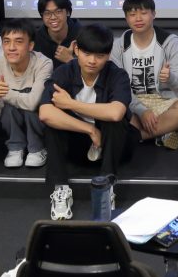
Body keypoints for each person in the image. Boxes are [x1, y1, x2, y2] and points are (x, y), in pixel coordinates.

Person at [39, 24, 132, 220]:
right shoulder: (64, 72)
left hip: (111, 146)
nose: (92, 61)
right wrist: (89, 129)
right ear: (76, 49)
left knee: (116, 121)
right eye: (87, 53)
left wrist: (71, 103)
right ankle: (61, 189)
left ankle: (106, 186)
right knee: (52, 124)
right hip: (78, 143)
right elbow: (45, 113)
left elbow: (116, 113)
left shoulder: (117, 75)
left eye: (100, 56)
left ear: (108, 56)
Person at [110, 0, 178, 149]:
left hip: (164, 101)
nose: (138, 18)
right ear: (126, 18)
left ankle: (137, 135)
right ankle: (167, 129)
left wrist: (171, 78)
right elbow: (117, 85)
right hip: (132, 101)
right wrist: (141, 110)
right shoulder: (120, 45)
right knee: (111, 111)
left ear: (154, 14)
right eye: (132, 14)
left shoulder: (170, 42)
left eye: (143, 13)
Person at [0, 19, 52, 168]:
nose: (11, 48)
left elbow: (32, 102)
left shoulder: (44, 63)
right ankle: (16, 148)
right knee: (7, 108)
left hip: (36, 120)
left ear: (30, 45)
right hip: (9, 123)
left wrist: (5, 93)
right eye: (6, 42)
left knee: (33, 105)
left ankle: (37, 148)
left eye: (19, 42)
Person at [34, 0, 81, 64]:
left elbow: (93, 72)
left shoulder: (84, 35)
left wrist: (70, 60)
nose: (53, 17)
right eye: (47, 13)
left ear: (68, 12)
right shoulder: (35, 38)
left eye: (58, 12)